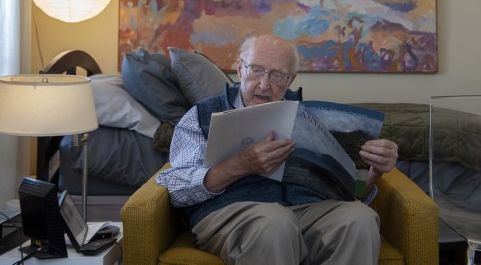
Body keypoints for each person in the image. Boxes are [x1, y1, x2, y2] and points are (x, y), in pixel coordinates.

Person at [157, 34, 399, 265]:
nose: (264, 84)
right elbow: (177, 189)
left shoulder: (310, 119)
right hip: (231, 213)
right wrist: (240, 165)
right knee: (274, 223)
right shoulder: (202, 114)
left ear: (290, 80)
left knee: (360, 218)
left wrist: (373, 172)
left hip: (306, 210)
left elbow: (350, 194)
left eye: (277, 75)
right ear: (240, 69)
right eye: (257, 70)